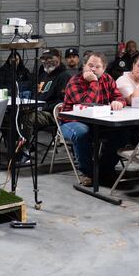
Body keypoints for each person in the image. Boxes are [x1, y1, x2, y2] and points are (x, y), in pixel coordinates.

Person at [60, 52, 127, 187]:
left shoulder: (108, 79)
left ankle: (104, 170)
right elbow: (87, 104)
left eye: (98, 67)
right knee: (82, 133)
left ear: (104, 69)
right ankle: (89, 173)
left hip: (100, 121)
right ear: (84, 65)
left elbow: (119, 96)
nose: (93, 69)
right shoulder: (75, 81)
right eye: (90, 65)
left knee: (122, 132)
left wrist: (119, 102)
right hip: (72, 122)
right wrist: (94, 82)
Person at [20, 48, 71, 160]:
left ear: (59, 58)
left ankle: (25, 151)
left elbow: (62, 102)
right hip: (38, 109)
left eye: (50, 58)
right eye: (44, 59)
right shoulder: (43, 76)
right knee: (13, 114)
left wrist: (40, 107)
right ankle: (19, 146)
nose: (46, 61)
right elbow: (35, 95)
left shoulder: (64, 76)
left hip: (53, 114)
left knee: (27, 118)